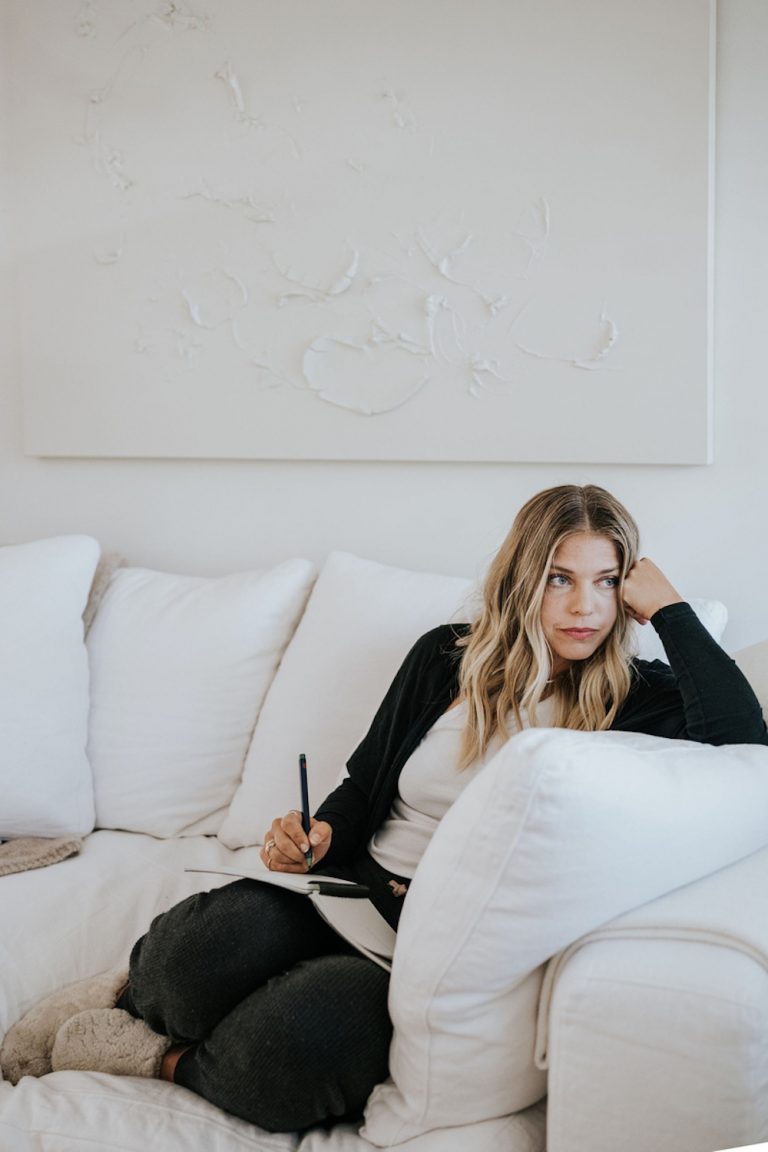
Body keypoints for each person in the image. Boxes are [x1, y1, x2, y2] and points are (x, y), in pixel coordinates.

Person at [3, 484, 766, 1132]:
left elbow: (746, 745)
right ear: (521, 579)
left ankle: (161, 1056)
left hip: (422, 943)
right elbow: (365, 786)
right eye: (559, 578)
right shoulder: (446, 656)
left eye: (606, 583)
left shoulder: (641, 700)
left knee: (289, 1053)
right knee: (186, 961)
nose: (583, 607)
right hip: (342, 888)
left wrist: (670, 610)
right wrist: (317, 832)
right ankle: (127, 993)